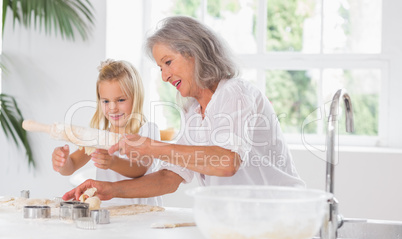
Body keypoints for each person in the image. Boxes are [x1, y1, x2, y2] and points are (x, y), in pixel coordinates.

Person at [63, 16, 304, 202]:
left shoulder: (234, 92)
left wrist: (150, 146)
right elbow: (169, 178)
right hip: (238, 222)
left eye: (168, 62)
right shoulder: (194, 114)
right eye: (160, 68)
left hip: (280, 214)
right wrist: (110, 189)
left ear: (194, 54)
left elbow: (227, 162)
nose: (165, 76)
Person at [53, 59, 162, 206]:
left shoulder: (147, 130)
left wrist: (112, 162)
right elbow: (71, 166)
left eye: (120, 100)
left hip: (145, 215)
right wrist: (63, 161)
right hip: (111, 215)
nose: (112, 108)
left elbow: (141, 168)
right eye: (105, 101)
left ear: (136, 97)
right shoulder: (98, 136)